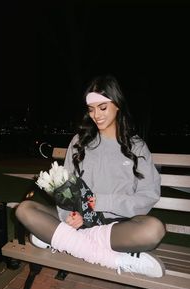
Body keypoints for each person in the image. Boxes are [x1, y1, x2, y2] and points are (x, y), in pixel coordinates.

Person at [16, 74, 166, 278]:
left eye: (102, 107)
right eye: (91, 109)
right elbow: (65, 187)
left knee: (154, 230)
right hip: (79, 221)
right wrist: (69, 216)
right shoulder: (79, 142)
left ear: (117, 105)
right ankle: (117, 260)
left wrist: (103, 202)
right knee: (25, 209)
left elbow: (148, 195)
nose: (97, 115)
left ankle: (62, 239)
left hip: (117, 227)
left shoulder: (136, 147)